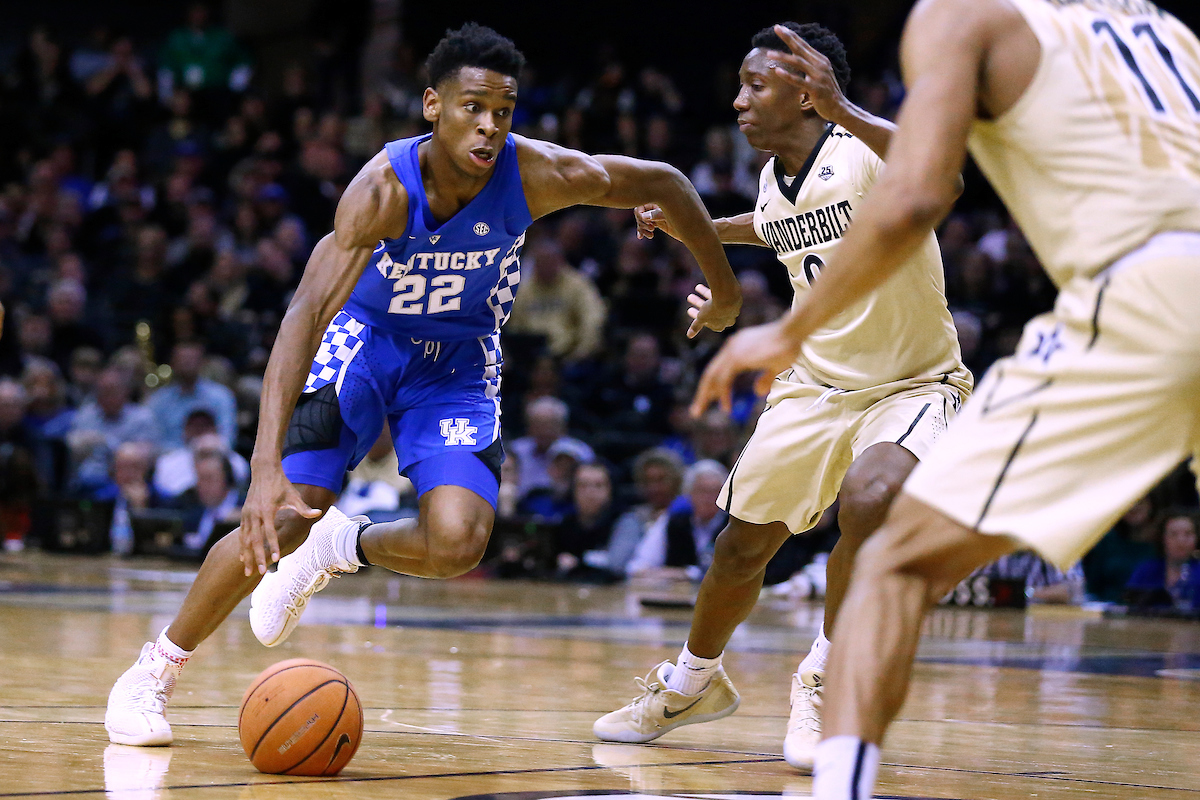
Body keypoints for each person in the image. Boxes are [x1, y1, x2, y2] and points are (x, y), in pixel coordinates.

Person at [104, 22, 741, 747]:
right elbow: (306, 314)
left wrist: (721, 290)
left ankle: (341, 547)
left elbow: (667, 183)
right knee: (282, 513)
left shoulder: (537, 174)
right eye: (474, 107)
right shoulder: (381, 189)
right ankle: (152, 672)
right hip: (364, 344)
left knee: (459, 543)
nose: (491, 125)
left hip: (459, 364)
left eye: (504, 110)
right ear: (434, 105)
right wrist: (260, 466)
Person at [689, 5, 1200, 798]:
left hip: (1143, 295)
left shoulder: (959, 18)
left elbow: (923, 189)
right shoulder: (1160, 27)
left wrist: (788, 332)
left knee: (892, 563)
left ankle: (839, 777)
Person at [594, 23, 970, 771]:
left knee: (872, 497)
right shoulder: (776, 177)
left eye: (755, 86)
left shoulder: (861, 149)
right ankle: (690, 684)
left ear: (807, 92)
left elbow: (943, 174)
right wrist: (689, 226)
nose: (737, 101)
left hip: (914, 384)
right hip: (815, 386)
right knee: (740, 548)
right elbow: (778, 228)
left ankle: (825, 678)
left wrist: (846, 108)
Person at [1125, 512, 1200, 611]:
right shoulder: (1146, 570)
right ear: (1162, 538)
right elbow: (1128, 604)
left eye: (1188, 534)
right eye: (1173, 534)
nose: (1181, 540)